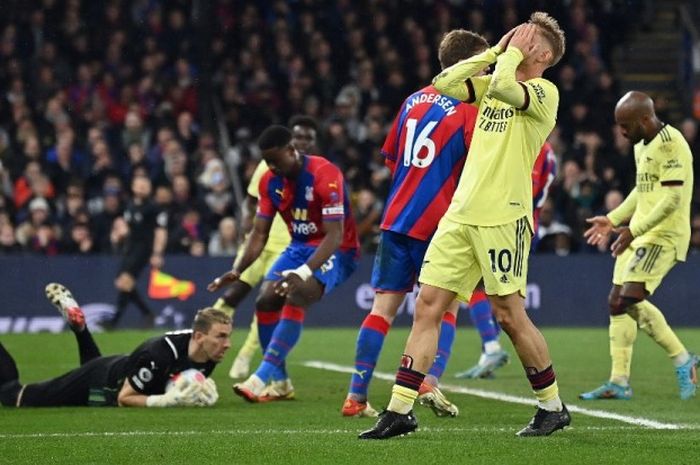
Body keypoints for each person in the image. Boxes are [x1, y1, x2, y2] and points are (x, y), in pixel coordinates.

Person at [360, 14, 569, 439]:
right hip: (460, 214)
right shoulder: (492, 82)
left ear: (543, 54)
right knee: (428, 305)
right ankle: (400, 410)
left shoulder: (544, 92)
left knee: (509, 314)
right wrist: (495, 52)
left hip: (503, 216)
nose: (514, 42)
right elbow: (445, 84)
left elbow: (510, 87)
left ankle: (552, 407)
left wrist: (508, 57)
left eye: (526, 40)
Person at [341, 29, 489, 419]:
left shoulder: (412, 100)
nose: (489, 68)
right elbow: (477, 171)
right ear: (468, 64)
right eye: (484, 62)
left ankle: (356, 397)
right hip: (440, 224)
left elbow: (392, 159)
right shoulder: (470, 110)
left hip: (396, 218)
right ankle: (428, 380)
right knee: (444, 309)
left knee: (382, 309)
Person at [208, 125, 359, 402]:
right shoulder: (269, 181)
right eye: (266, 162)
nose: (271, 167)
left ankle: (260, 378)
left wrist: (302, 273)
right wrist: (238, 269)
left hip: (337, 250)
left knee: (296, 293)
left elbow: (335, 235)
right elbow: (259, 233)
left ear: (292, 151)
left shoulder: (325, 175)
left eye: (275, 160)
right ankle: (281, 383)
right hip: (298, 246)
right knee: (265, 301)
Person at [580, 91, 698, 401]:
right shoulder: (642, 143)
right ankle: (619, 381)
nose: (621, 132)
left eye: (625, 125)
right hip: (640, 232)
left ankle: (683, 359)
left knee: (630, 297)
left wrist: (633, 229)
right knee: (617, 303)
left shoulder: (671, 144)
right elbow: (642, 190)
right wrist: (612, 218)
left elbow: (672, 199)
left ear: (645, 119)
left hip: (663, 235)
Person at [0, 283, 229, 408]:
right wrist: (164, 401)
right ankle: (80, 330)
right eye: (220, 336)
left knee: (93, 364)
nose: (227, 344)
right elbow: (124, 398)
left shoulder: (208, 353)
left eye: (227, 336)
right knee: (13, 396)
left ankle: (80, 329)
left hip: (113, 367)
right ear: (198, 336)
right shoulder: (159, 354)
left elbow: (173, 381)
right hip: (100, 381)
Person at [210, 116, 318, 379]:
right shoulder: (268, 166)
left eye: (307, 138)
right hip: (259, 242)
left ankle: (245, 356)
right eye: (298, 137)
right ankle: (200, 342)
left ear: (313, 142)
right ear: (289, 141)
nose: (302, 141)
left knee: (266, 302)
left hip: (288, 249)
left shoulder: (316, 173)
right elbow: (250, 201)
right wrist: (245, 229)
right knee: (233, 293)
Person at [456, 142, 557, 379]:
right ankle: (487, 354)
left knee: (479, 285)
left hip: (507, 224)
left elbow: (527, 190)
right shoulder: (548, 152)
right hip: (524, 225)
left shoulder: (529, 146)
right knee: (498, 292)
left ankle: (491, 346)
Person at [105, 175, 168, 329]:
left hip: (143, 249)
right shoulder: (129, 205)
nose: (141, 187)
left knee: (124, 281)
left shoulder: (154, 208)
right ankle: (146, 313)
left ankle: (114, 322)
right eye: (138, 184)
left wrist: (157, 253)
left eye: (145, 184)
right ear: (133, 187)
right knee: (123, 283)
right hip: (130, 248)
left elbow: (160, 231)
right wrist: (118, 234)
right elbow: (124, 226)